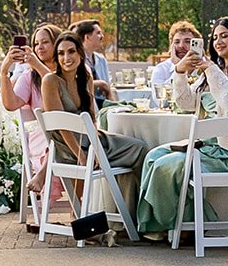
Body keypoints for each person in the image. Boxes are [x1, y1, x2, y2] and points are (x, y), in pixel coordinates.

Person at [137, 16, 228, 238]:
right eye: (215, 37)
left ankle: (176, 227)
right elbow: (185, 103)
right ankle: (179, 224)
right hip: (210, 149)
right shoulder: (213, 71)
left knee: (168, 165)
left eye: (224, 36)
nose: (218, 41)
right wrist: (180, 72)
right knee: (153, 156)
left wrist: (212, 71)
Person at [41, 32, 149, 236]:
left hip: (91, 140)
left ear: (80, 54)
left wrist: (95, 148)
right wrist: (82, 156)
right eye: (61, 53)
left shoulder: (86, 77)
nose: (67, 58)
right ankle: (113, 219)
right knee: (126, 154)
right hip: (69, 146)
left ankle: (135, 216)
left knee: (141, 149)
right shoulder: (51, 81)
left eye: (71, 52)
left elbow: (91, 118)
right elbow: (61, 125)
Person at [1, 23, 65, 198]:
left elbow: (62, 92)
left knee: (64, 140)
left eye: (45, 42)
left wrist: (37, 64)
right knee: (53, 142)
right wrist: (4, 72)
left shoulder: (70, 68)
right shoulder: (30, 76)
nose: (40, 47)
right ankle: (60, 211)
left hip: (70, 132)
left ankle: (42, 177)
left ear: (58, 44)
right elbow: (10, 104)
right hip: (42, 135)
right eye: (36, 44)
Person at [70, 18, 116, 103]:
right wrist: (101, 84)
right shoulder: (75, 59)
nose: (102, 36)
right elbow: (74, 84)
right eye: (98, 33)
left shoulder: (101, 59)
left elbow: (108, 85)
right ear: (87, 37)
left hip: (104, 103)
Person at [149, 21, 201, 85]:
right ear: (171, 46)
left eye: (187, 41)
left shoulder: (205, 69)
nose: (181, 46)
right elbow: (161, 93)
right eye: (177, 42)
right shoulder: (161, 69)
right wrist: (179, 69)